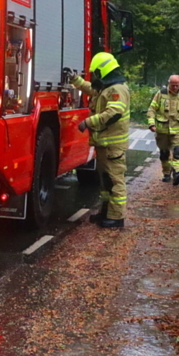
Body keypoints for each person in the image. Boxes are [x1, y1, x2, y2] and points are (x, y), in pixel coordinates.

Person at [72, 52, 131, 228]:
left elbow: (114, 113)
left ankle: (117, 217)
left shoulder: (117, 90)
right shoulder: (108, 87)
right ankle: (106, 212)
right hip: (105, 145)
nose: (95, 75)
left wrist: (89, 122)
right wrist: (76, 80)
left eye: (96, 72)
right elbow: (92, 89)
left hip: (113, 145)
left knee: (114, 181)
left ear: (103, 70)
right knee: (106, 181)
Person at [147, 74, 179, 185]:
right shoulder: (161, 94)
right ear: (169, 83)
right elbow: (151, 109)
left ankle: (178, 173)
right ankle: (167, 173)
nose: (174, 88)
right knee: (164, 153)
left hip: (178, 129)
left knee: (178, 151)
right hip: (162, 130)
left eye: (176, 85)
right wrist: (151, 124)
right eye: (172, 85)